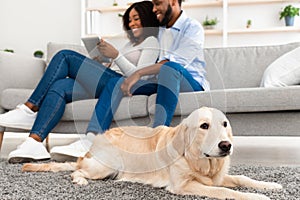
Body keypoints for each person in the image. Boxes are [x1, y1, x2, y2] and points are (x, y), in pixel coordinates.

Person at [0, 1, 160, 164]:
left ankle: (30, 108)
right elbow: (117, 67)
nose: (132, 23)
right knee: (59, 86)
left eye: (136, 18)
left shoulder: (152, 41)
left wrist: (117, 55)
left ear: (147, 18)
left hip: (122, 85)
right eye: (129, 20)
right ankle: (34, 142)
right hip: (108, 82)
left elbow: (141, 76)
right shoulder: (130, 44)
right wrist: (101, 63)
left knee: (65, 56)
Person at [49, 0, 210, 159]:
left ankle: (156, 142)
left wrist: (138, 74)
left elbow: (174, 63)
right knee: (116, 82)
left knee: (170, 69)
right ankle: (92, 139)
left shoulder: (192, 28)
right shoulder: (159, 31)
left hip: (189, 83)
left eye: (158, 3)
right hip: (161, 81)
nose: (154, 9)